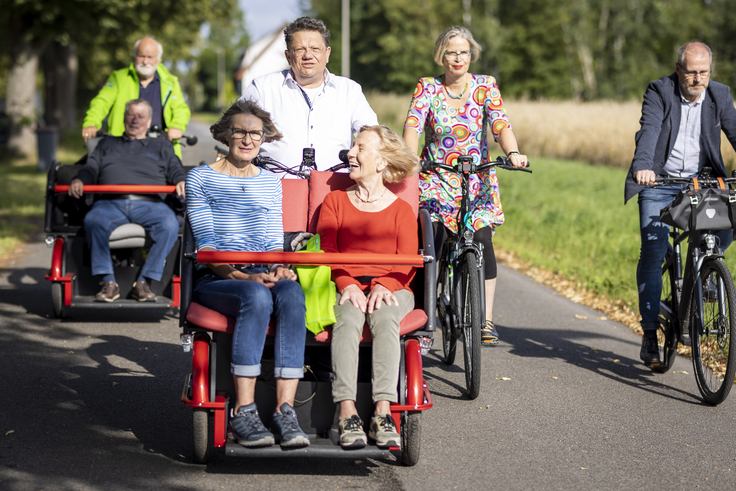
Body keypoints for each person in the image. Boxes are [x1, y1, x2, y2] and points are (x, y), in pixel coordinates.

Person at [186, 99, 309, 448]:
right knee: (256, 296)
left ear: (263, 138)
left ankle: (286, 409)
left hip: (258, 271)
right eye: (240, 131)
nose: (247, 139)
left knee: (290, 293)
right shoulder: (201, 178)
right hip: (218, 276)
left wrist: (278, 267)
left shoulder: (270, 183)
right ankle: (244, 410)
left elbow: (272, 242)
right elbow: (207, 249)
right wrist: (245, 278)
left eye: (255, 133)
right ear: (225, 133)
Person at [403, 26, 528, 345]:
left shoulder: (486, 86)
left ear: (472, 54)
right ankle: (424, 316)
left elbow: (500, 124)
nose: (458, 58)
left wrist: (512, 152)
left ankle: (485, 320)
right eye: (451, 52)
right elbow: (413, 125)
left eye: (464, 52)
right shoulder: (428, 87)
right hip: (436, 177)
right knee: (432, 240)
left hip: (477, 180)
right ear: (440, 56)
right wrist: (408, 158)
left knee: (483, 239)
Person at [625, 41, 736, 367]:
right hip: (659, 181)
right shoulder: (660, 91)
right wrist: (643, 166)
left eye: (703, 72)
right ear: (679, 70)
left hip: (701, 182)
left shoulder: (719, 94)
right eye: (691, 72)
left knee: (729, 221)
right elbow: (649, 130)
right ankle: (649, 331)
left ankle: (708, 270)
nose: (697, 79)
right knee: (653, 247)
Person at [316, 125, 419, 449]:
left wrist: (383, 285)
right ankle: (346, 411)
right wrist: (347, 284)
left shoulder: (401, 210)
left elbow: (407, 262)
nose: (351, 153)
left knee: (386, 317)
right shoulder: (334, 201)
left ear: (381, 161)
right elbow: (327, 253)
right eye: (352, 147)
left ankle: (382, 411)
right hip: (346, 284)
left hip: (393, 286)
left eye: (361, 148)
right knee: (347, 320)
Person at [69, 99, 185, 303]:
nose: (135, 120)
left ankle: (144, 282)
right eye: (131, 115)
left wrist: (181, 180)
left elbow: (175, 169)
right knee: (93, 220)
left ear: (149, 122)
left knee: (169, 224)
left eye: (140, 116)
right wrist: (79, 180)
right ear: (124, 118)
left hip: (151, 203)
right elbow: (91, 169)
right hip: (110, 202)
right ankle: (108, 282)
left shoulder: (161, 145)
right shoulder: (106, 144)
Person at [241, 17, 378, 170]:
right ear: (288, 56)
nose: (308, 55)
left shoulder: (349, 91)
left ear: (327, 54)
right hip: (275, 188)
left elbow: (372, 136)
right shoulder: (262, 88)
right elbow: (236, 131)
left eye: (315, 49)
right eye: (300, 49)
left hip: (335, 188)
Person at [82, 37, 191, 160]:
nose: (145, 61)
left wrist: (176, 127)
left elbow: (181, 109)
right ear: (134, 56)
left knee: (176, 177)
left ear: (159, 60)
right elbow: (101, 102)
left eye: (150, 57)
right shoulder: (119, 78)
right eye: (141, 56)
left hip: (160, 148)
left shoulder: (170, 82)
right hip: (121, 147)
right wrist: (91, 124)